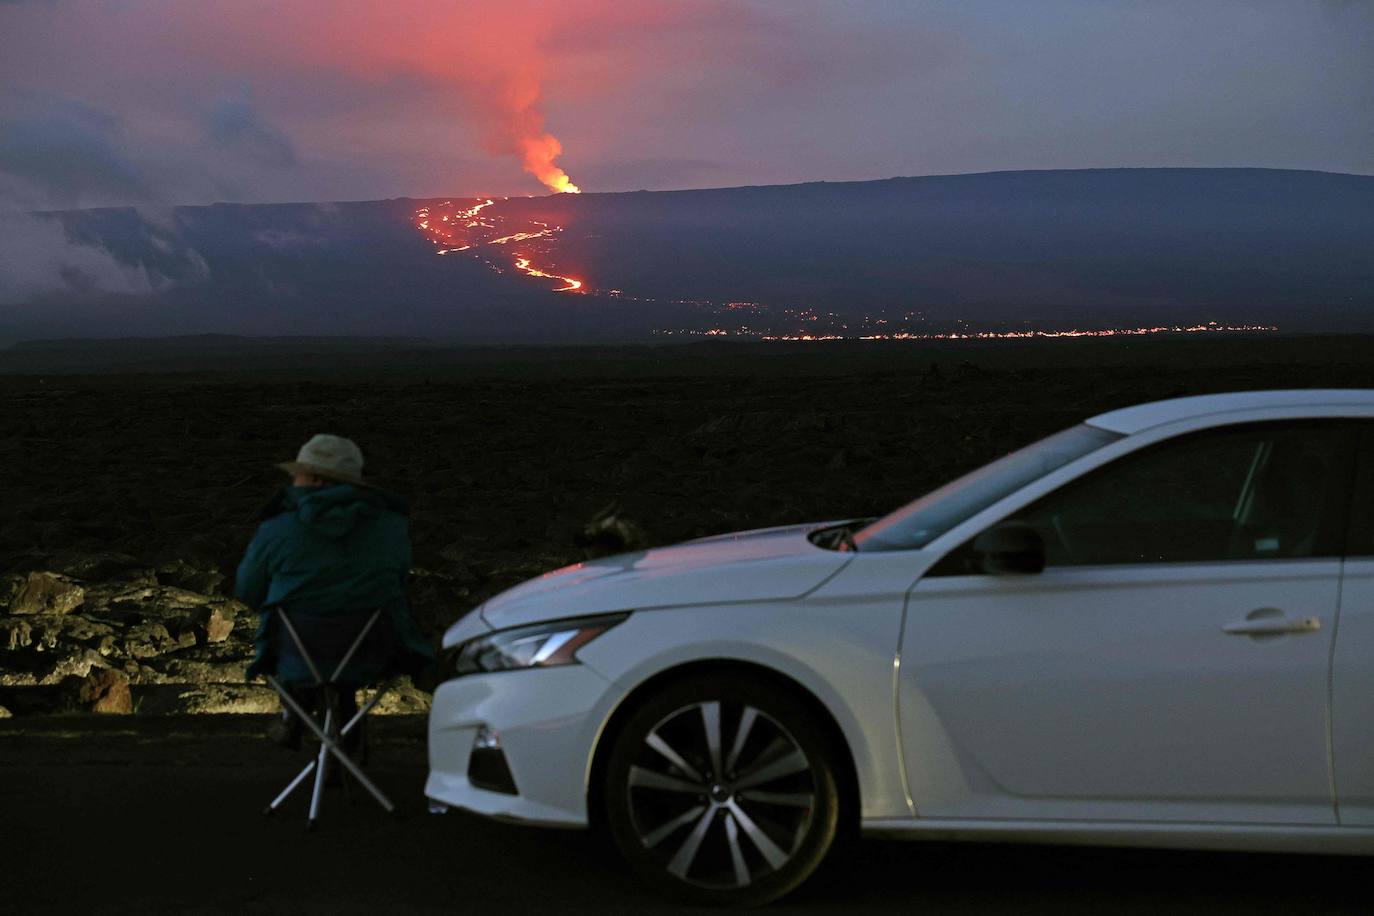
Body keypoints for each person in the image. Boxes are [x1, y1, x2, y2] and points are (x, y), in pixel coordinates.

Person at [236, 434, 434, 750]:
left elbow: (247, 588)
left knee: (310, 644)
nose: (292, 480)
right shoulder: (390, 527)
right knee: (343, 643)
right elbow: (398, 581)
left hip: (297, 650)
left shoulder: (278, 528)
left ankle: (296, 712)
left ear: (314, 478)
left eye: (297, 474)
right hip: (373, 650)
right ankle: (339, 718)